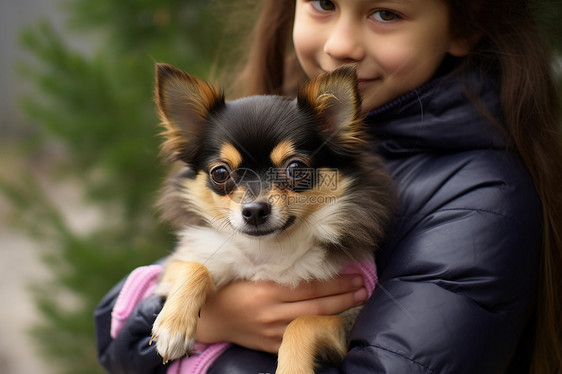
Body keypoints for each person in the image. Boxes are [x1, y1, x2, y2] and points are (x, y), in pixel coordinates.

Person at [94, 0, 562, 373]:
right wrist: (211, 315)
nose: (341, 45)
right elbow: (113, 331)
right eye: (323, 2)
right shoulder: (260, 122)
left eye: (386, 13)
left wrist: (217, 338)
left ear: (465, 22)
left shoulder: (481, 203)